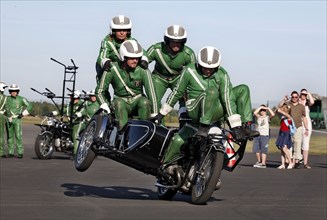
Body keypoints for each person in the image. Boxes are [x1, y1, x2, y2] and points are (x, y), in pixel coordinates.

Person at [156, 46, 259, 173]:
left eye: (212, 68)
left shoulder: (222, 74)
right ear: (199, 64)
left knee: (243, 88)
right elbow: (177, 92)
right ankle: (167, 164)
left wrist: (235, 126)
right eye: (205, 67)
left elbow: (228, 99)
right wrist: (161, 113)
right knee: (211, 92)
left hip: (214, 111)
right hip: (195, 109)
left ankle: (245, 126)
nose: (208, 71)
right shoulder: (189, 71)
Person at [96, 40, 157, 134]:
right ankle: (122, 134)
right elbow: (100, 91)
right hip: (120, 101)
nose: (135, 60)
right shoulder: (112, 69)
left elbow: (151, 93)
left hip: (138, 100)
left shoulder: (143, 71)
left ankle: (142, 133)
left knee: (145, 102)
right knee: (119, 104)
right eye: (132, 58)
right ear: (123, 57)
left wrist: (155, 113)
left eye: (137, 58)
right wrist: (104, 105)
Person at [147, 25, 196, 126]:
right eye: (173, 41)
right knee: (153, 100)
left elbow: (193, 74)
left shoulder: (188, 54)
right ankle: (159, 126)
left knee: (186, 98)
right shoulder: (156, 49)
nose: (176, 44)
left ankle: (183, 120)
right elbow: (143, 61)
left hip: (178, 78)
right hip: (159, 78)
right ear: (167, 41)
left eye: (179, 42)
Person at [95, 15, 148, 84]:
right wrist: (105, 62)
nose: (122, 32)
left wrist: (144, 59)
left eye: (124, 30)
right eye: (119, 30)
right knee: (104, 75)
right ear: (113, 31)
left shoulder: (132, 41)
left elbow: (142, 52)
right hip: (108, 67)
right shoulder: (107, 42)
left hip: (123, 67)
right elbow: (102, 56)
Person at [278, 91, 309, 168]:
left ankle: (295, 162)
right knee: (288, 145)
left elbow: (304, 117)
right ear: (291, 97)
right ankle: (289, 161)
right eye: (293, 97)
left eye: (296, 97)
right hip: (288, 127)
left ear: (298, 97)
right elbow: (279, 106)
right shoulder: (287, 103)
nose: (294, 98)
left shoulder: (302, 106)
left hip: (298, 127)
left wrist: (306, 128)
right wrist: (284, 100)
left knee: (297, 144)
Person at [4, 84, 32, 158]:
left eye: (15, 91)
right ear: (10, 91)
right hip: (8, 119)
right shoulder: (6, 98)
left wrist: (23, 114)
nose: (14, 92)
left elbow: (30, 106)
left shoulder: (21, 99)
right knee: (9, 136)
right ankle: (10, 152)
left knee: (18, 136)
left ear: (17, 91)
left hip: (17, 119)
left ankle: (20, 152)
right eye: (12, 91)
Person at [72, 89, 100, 154]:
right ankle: (76, 152)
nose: (93, 97)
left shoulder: (99, 104)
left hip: (96, 124)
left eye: (94, 96)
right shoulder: (87, 103)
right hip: (86, 123)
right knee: (76, 131)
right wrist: (77, 114)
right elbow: (83, 111)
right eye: (91, 96)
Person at [299, 88, 315, 169]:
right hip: (298, 123)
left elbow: (312, 102)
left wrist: (308, 94)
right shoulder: (297, 101)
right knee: (298, 142)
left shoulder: (307, 103)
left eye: (305, 94)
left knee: (306, 143)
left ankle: (305, 163)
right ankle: (298, 158)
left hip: (307, 124)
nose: (303, 96)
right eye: (302, 94)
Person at [275, 104, 294, 169]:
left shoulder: (289, 116)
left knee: (284, 148)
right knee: (281, 149)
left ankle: (290, 162)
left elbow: (284, 113)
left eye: (285, 108)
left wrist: (281, 111)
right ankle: (283, 164)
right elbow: (278, 109)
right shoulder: (282, 117)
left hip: (287, 133)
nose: (283, 108)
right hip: (281, 133)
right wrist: (283, 100)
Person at [0, 82, 8, 158]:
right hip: (1, 116)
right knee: (1, 135)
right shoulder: (5, 97)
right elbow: (7, 109)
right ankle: (1, 152)